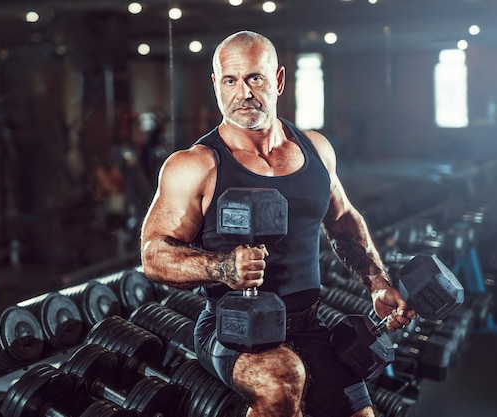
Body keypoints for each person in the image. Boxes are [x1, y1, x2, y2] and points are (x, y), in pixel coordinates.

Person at [140, 31, 416, 417]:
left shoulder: (316, 149)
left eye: (255, 78)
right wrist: (221, 267)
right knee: (283, 378)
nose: (243, 93)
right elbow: (154, 254)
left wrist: (378, 282)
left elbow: (343, 220)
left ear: (279, 80)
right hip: (232, 328)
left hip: (309, 323)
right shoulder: (195, 164)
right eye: (229, 80)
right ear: (215, 84)